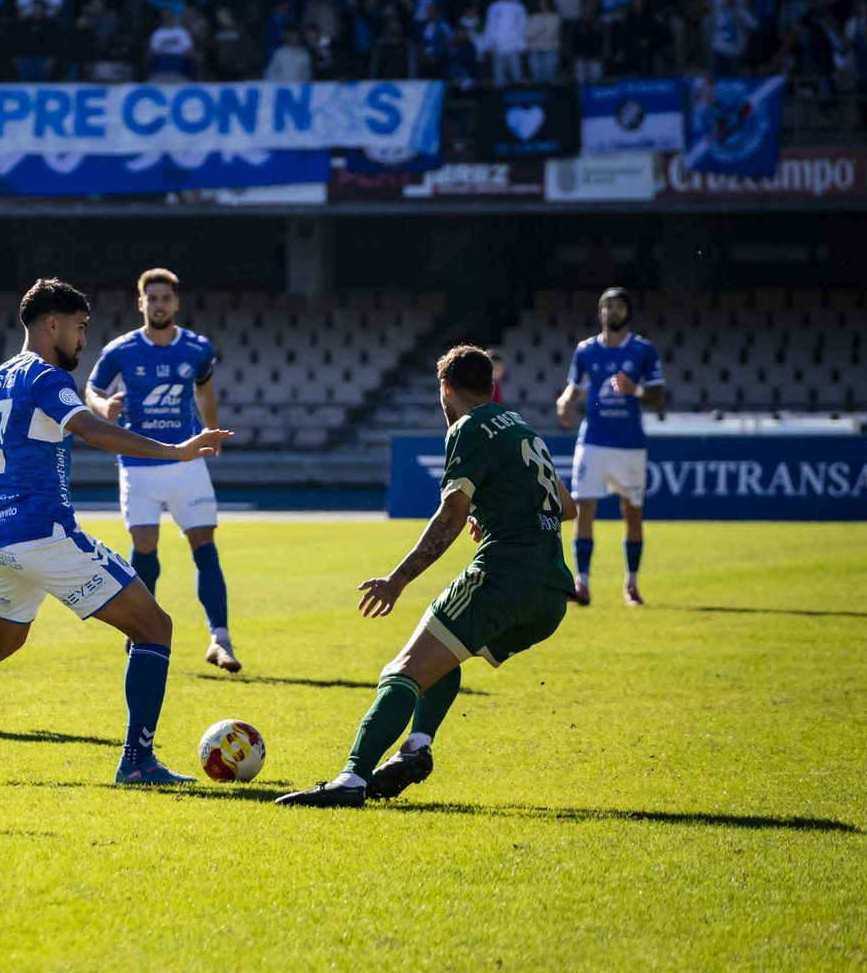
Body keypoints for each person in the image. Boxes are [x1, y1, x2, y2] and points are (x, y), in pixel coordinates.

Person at [0, 279, 231, 785]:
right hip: (47, 534)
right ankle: (138, 763)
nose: (83, 340)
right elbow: (95, 430)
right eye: (80, 328)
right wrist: (177, 451)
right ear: (52, 325)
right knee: (155, 628)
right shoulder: (47, 377)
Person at [277, 346, 577, 809]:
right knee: (447, 654)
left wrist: (397, 579)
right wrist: (495, 510)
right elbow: (568, 507)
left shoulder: (468, 427)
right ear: (491, 386)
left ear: (446, 390)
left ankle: (351, 780)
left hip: (503, 577)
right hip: (551, 594)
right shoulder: (521, 426)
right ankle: (415, 748)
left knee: (401, 672)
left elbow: (450, 515)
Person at [85, 269, 237, 673]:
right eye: (151, 298)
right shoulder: (121, 350)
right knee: (145, 547)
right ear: (141, 304)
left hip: (187, 463)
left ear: (176, 303)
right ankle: (140, 629)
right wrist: (104, 409)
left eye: (165, 298)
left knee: (205, 547)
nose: (159, 304)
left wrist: (210, 431)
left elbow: (204, 388)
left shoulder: (197, 348)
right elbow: (92, 390)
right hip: (139, 464)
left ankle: (220, 639)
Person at [555, 289, 664, 608]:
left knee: (632, 513)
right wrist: (564, 401)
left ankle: (631, 584)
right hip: (593, 442)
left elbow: (658, 395)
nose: (613, 312)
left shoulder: (643, 349)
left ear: (628, 312)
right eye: (608, 307)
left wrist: (636, 390)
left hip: (630, 445)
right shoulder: (586, 350)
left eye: (619, 306)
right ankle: (582, 583)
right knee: (583, 508)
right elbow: (574, 388)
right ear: (600, 313)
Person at [484, 0, 527, 84]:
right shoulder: (494, 7)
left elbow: (522, 27)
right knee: (499, 81)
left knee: (517, 79)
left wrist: (522, 46)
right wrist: (488, 45)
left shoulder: (519, 7)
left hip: (514, 49)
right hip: (497, 49)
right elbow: (490, 27)